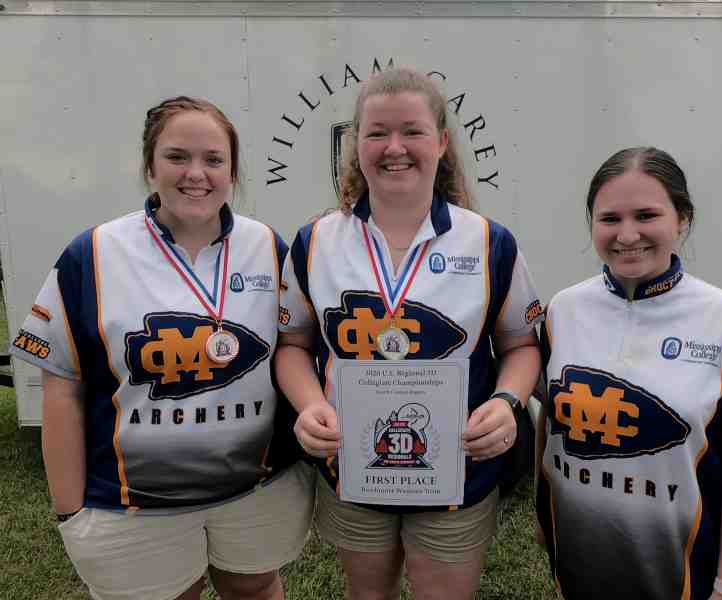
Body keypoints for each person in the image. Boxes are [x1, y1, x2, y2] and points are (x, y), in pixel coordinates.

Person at [9, 96, 314, 600]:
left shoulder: (268, 246)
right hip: (134, 504)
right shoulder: (95, 253)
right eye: (177, 156)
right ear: (150, 166)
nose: (197, 173)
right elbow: (61, 385)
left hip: (257, 489)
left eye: (214, 159)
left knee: (255, 587)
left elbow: (293, 349)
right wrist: (69, 509)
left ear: (232, 172)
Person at [275, 67, 543, 600]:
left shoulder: (489, 243)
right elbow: (293, 345)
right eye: (376, 133)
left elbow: (520, 344)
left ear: (441, 141)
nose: (394, 147)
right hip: (351, 462)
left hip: (459, 469)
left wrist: (508, 400)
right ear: (357, 145)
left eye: (412, 131)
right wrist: (308, 406)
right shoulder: (316, 241)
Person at [535, 147, 722, 600]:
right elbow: (549, 425)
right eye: (610, 219)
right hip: (579, 566)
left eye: (646, 215)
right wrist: (543, 518)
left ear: (682, 219)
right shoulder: (562, 310)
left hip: (684, 579)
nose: (627, 234)